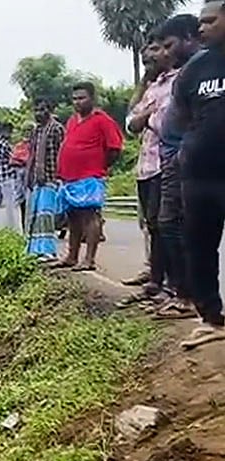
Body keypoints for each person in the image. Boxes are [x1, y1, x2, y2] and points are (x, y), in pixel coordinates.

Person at [142, 14, 204, 322]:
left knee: (177, 225)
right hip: (170, 158)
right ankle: (183, 295)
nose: (163, 53)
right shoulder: (182, 74)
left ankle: (189, 297)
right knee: (168, 224)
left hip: (184, 157)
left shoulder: (202, 71)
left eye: (168, 45)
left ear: (190, 39)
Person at [175, 0, 225, 349]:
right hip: (200, 176)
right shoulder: (194, 70)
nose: (200, 28)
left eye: (209, 21)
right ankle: (211, 318)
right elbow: (181, 116)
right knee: (200, 246)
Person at [121, 38, 172, 305]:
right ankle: (155, 278)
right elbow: (131, 122)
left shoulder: (178, 81)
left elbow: (166, 122)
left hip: (167, 164)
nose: (147, 57)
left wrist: (145, 120)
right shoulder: (152, 86)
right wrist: (142, 117)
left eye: (153, 50)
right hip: (146, 166)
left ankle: (169, 285)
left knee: (164, 224)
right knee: (152, 224)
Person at [55, 81, 124, 271]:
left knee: (89, 216)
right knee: (72, 217)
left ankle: (89, 259)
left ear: (92, 99)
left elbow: (115, 149)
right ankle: (72, 256)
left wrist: (100, 165)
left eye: (82, 98)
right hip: (69, 177)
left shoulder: (102, 120)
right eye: (74, 99)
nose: (77, 102)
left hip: (90, 176)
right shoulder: (71, 120)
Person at [25, 98, 66, 259]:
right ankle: (34, 249)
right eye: (36, 110)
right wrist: (29, 175)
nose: (38, 113)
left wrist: (61, 177)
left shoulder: (56, 129)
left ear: (50, 110)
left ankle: (48, 250)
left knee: (46, 214)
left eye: (42, 110)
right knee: (34, 215)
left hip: (51, 178)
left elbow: (63, 154)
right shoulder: (36, 131)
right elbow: (32, 154)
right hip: (37, 178)